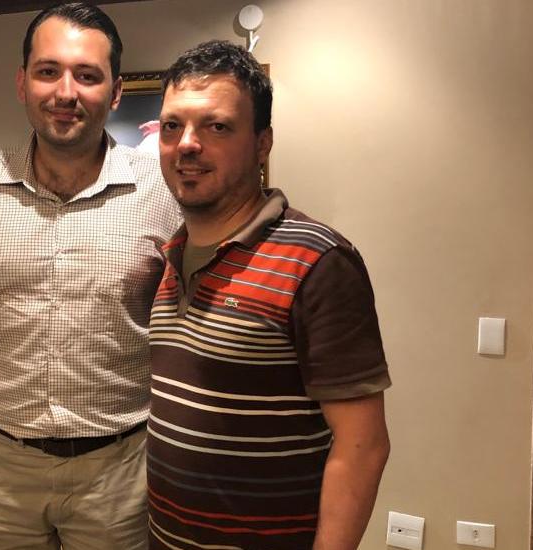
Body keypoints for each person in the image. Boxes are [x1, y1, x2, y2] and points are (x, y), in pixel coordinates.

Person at [0, 3, 180, 549]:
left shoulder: (161, 191)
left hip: (120, 475)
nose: (65, 92)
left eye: (87, 75)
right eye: (48, 71)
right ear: (22, 83)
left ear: (116, 92)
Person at [147, 40, 391, 550]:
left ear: (263, 144)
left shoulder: (319, 261)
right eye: (172, 126)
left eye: (216, 126)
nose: (187, 144)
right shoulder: (171, 254)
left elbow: (363, 446)